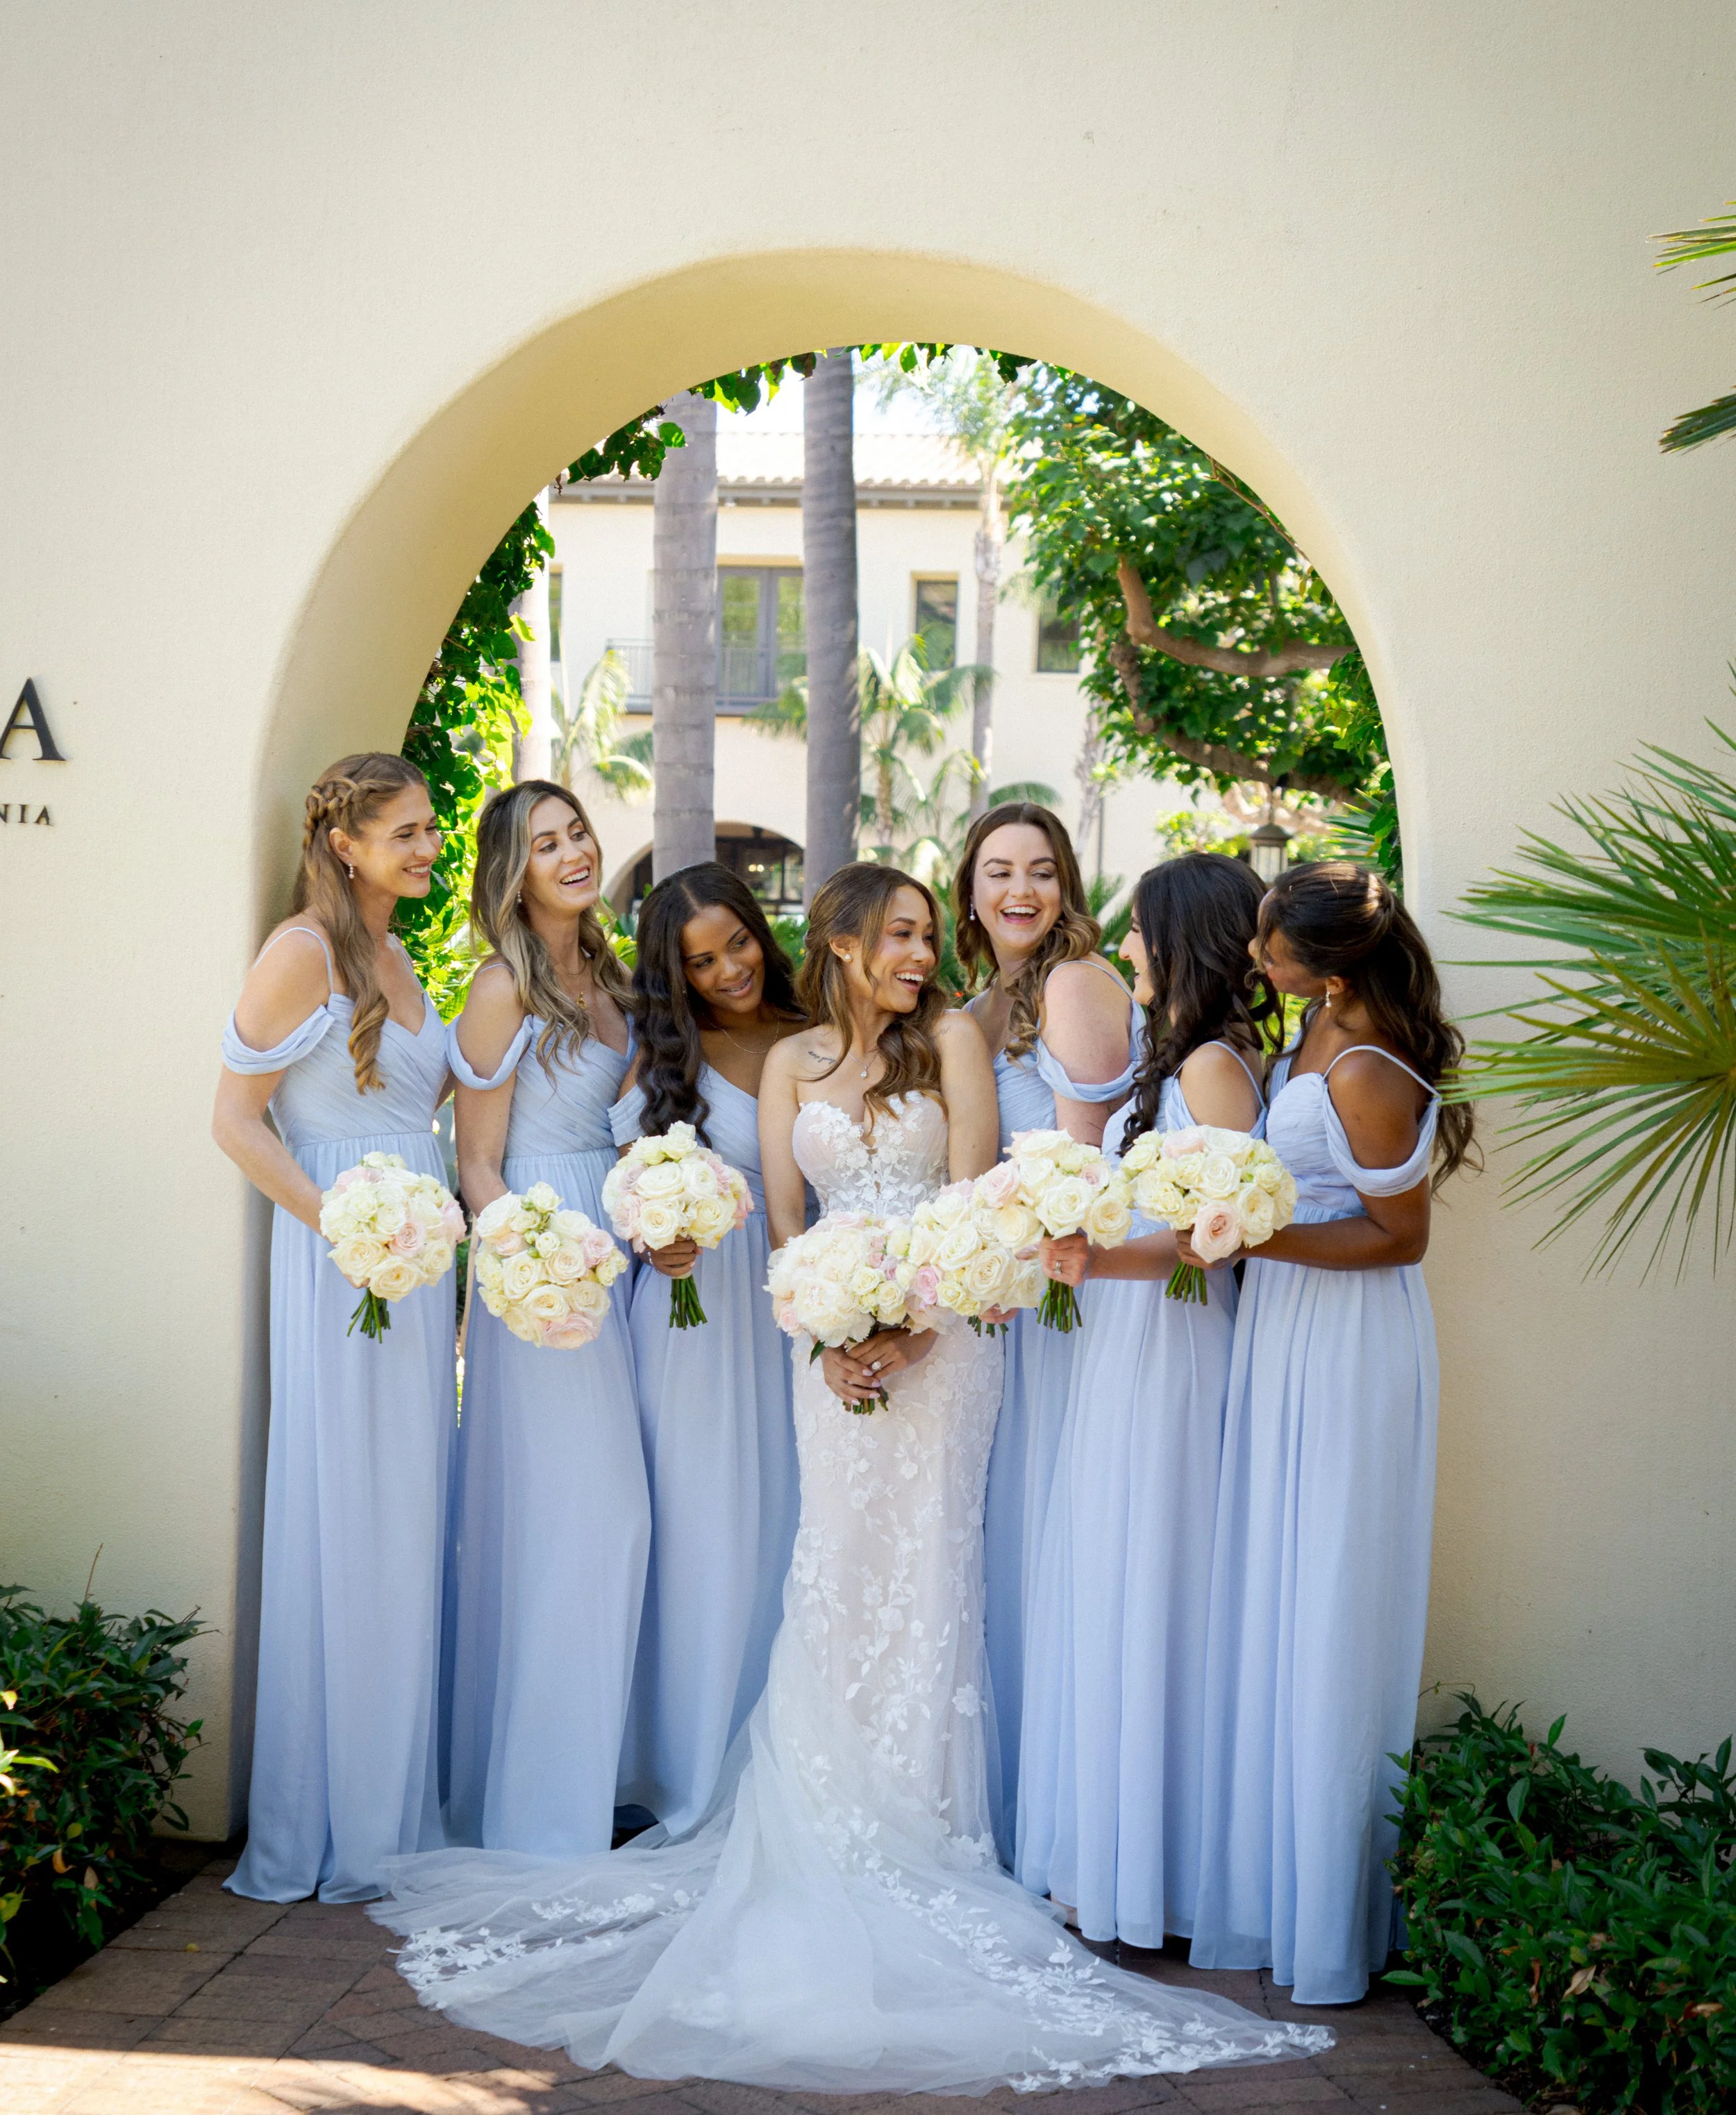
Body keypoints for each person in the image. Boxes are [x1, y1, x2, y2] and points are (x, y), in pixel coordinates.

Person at [370, 862, 1330, 2093]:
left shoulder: (955, 1049)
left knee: (933, 1570)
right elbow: (784, 1224)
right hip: (827, 1363)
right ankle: (822, 1819)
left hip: (951, 1348)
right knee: (836, 1573)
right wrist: (829, 1339)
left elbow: (981, 1209)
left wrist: (912, 1331)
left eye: (929, 933)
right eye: (899, 934)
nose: (922, 953)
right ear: (835, 941)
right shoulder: (789, 1065)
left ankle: (930, 1824)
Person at [1189, 858, 1476, 2005]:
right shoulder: (1313, 1035)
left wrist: (1253, 1242)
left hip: (1353, 1340)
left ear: (1335, 960)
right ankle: (1269, 1887)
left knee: (1331, 1597)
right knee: (1278, 1590)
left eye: (1275, 945)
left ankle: (1328, 1922)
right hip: (1287, 1330)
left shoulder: (1363, 1066)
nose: (1259, 960)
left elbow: (1398, 1239)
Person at [1017, 853, 1278, 1949]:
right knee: (1115, 1576)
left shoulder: (1216, 1066)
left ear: (1184, 940)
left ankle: (1158, 1871)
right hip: (1133, 1343)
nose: (1124, 949)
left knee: (1158, 1582)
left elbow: (1212, 1244)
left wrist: (1089, 1258)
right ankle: (1110, 1855)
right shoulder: (1168, 1063)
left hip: (1172, 1342)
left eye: (1139, 932)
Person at [215, 753, 455, 1903]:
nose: (425, 847)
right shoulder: (299, 952)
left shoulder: (400, 954)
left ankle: (396, 1804)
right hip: (343, 1264)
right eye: (404, 832)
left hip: (417, 1260)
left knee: (407, 1510)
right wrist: (345, 1224)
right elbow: (233, 1119)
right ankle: (337, 1818)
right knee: (350, 1508)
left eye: (428, 829)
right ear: (345, 841)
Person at [441, 781, 650, 1858]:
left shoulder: (612, 975)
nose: (571, 853)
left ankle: (590, 1775)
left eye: (577, 834)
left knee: (605, 1527)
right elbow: (477, 1160)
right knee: (590, 1518)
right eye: (546, 843)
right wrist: (529, 1270)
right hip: (545, 1264)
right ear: (511, 871)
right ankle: (542, 1806)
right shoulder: (499, 989)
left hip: (619, 1253)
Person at [610, 864, 808, 1834]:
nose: (727, 968)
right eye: (700, 959)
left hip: (803, 1300)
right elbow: (625, 1179)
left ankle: (784, 1756)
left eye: (736, 942)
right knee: (701, 1530)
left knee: (789, 1522)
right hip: (696, 1311)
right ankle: (682, 1766)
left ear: (761, 932)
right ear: (675, 973)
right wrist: (655, 1232)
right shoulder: (666, 1052)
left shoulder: (818, 1027)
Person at [955, 801, 1138, 1845]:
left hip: (1078, 1293)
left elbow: (1080, 1168)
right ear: (969, 892)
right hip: (1013, 1302)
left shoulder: (1075, 983)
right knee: (1016, 1531)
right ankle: (1028, 1797)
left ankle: (1076, 1819)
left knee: (1068, 1525)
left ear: (1066, 884)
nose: (1019, 890)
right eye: (997, 872)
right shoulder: (979, 1007)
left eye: (1039, 870)